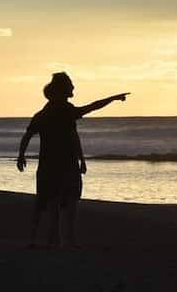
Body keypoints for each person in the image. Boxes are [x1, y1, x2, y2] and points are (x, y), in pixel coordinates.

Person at [17, 73, 128, 249]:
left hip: (51, 164)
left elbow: (32, 135)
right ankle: (63, 241)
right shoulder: (65, 111)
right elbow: (92, 107)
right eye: (70, 85)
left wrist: (21, 155)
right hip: (64, 164)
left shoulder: (43, 114)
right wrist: (113, 98)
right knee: (67, 203)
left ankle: (51, 241)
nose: (73, 88)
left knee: (51, 202)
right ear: (61, 90)